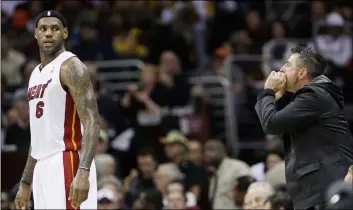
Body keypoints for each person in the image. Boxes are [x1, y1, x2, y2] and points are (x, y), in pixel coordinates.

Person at [14, 11, 100, 209]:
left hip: (67, 159)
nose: (49, 33)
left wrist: (84, 170)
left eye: (55, 29)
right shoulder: (35, 73)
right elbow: (38, 134)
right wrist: (26, 181)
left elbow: (92, 121)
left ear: (65, 33)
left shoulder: (71, 66)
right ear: (35, 34)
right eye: (43, 29)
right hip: (42, 167)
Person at [255, 46, 353, 210]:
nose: (281, 69)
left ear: (301, 73)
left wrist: (268, 93)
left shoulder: (314, 95)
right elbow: (279, 129)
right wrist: (276, 99)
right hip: (318, 189)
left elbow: (270, 124)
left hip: (324, 189)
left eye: (287, 64)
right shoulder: (313, 96)